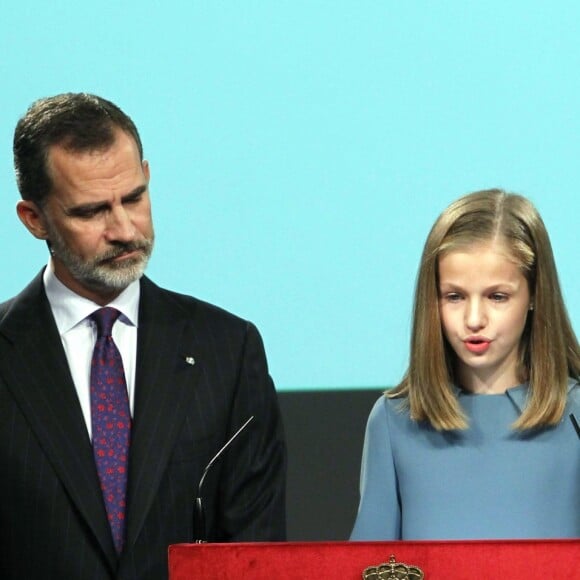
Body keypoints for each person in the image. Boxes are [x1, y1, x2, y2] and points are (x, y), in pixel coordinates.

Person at [0, 93, 286, 579]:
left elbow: (253, 556)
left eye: (134, 198)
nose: (123, 228)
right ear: (34, 219)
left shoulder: (228, 350)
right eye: (90, 212)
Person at [350, 189, 580, 541]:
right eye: (454, 296)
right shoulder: (394, 422)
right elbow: (371, 565)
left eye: (497, 296)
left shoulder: (575, 417)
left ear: (534, 295)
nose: (474, 319)